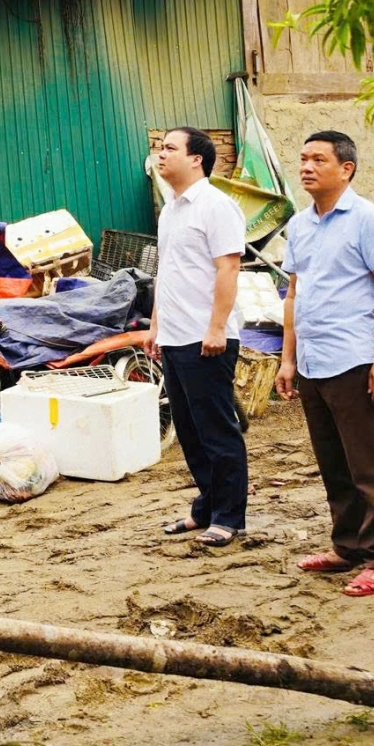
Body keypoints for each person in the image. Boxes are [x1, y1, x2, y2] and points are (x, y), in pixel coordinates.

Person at [279, 130, 374, 598]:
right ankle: (348, 547)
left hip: (353, 358)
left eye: (318, 159)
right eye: (303, 158)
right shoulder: (300, 225)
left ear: (346, 168)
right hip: (313, 361)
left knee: (369, 465)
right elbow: (293, 294)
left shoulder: (368, 219)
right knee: (333, 463)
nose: (306, 167)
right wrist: (287, 358)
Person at [147, 127, 249, 548]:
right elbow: (167, 273)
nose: (161, 154)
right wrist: (155, 326)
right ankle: (205, 509)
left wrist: (217, 327)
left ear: (197, 160)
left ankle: (230, 517)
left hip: (207, 337)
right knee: (189, 430)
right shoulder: (170, 210)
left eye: (171, 148)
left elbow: (228, 269)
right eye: (160, 147)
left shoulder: (216, 206)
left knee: (216, 430)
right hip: (174, 336)